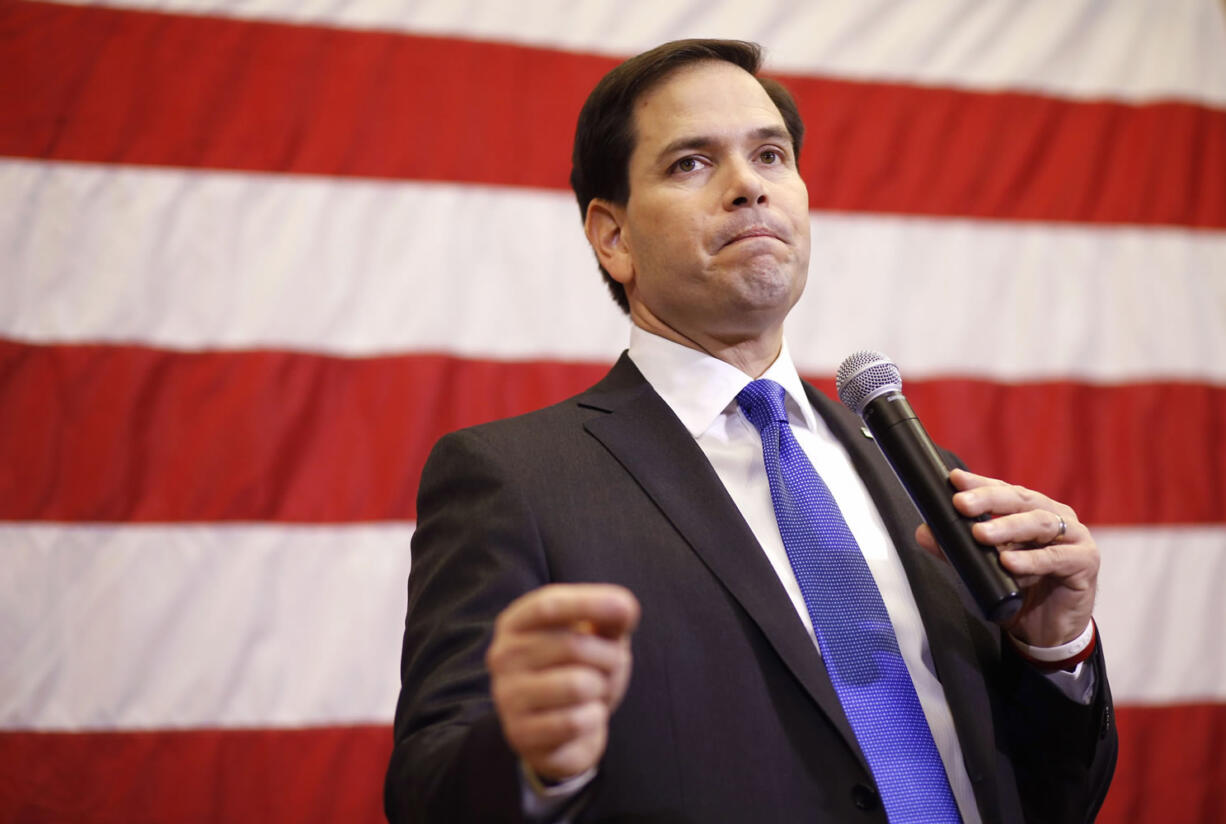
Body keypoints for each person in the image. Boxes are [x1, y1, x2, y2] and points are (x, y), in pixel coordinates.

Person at [385, 39, 1117, 823]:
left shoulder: (924, 476)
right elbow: (428, 791)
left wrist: (1055, 652)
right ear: (613, 237)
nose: (749, 188)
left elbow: (1049, 796)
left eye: (770, 155)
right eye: (691, 164)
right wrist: (531, 761)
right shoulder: (517, 480)